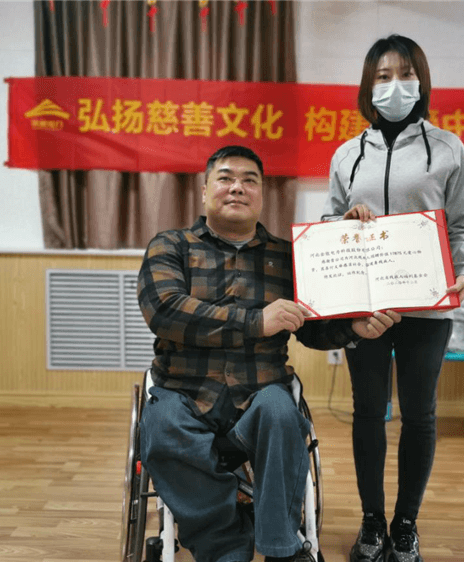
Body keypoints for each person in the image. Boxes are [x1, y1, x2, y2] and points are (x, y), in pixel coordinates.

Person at [137, 145, 402, 562]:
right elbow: (166, 311)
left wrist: (352, 328)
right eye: (225, 178)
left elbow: (313, 328)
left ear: (262, 194)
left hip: (261, 390)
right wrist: (256, 322)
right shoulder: (171, 246)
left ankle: (282, 547)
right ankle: (226, 544)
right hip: (184, 390)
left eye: (250, 180)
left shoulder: (290, 256)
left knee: (281, 412)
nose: (237, 188)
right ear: (204, 190)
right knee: (163, 428)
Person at [321, 35, 464, 562]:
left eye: (405, 74)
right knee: (368, 412)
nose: (395, 85)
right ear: (368, 86)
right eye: (383, 76)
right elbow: (329, 224)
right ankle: (372, 521)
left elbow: (463, 226)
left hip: (426, 308)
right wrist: (344, 222)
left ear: (421, 81)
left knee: (419, 414)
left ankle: (405, 524)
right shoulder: (347, 154)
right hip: (365, 310)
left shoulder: (448, 148)